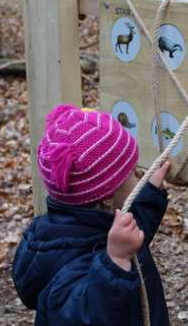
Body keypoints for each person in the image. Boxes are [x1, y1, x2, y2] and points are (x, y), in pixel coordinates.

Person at [12, 104, 171, 325]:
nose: (139, 175)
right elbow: (88, 316)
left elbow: (131, 230)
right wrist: (115, 261)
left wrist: (150, 193)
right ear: (107, 198)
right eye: (133, 173)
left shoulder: (92, 225)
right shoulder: (66, 267)